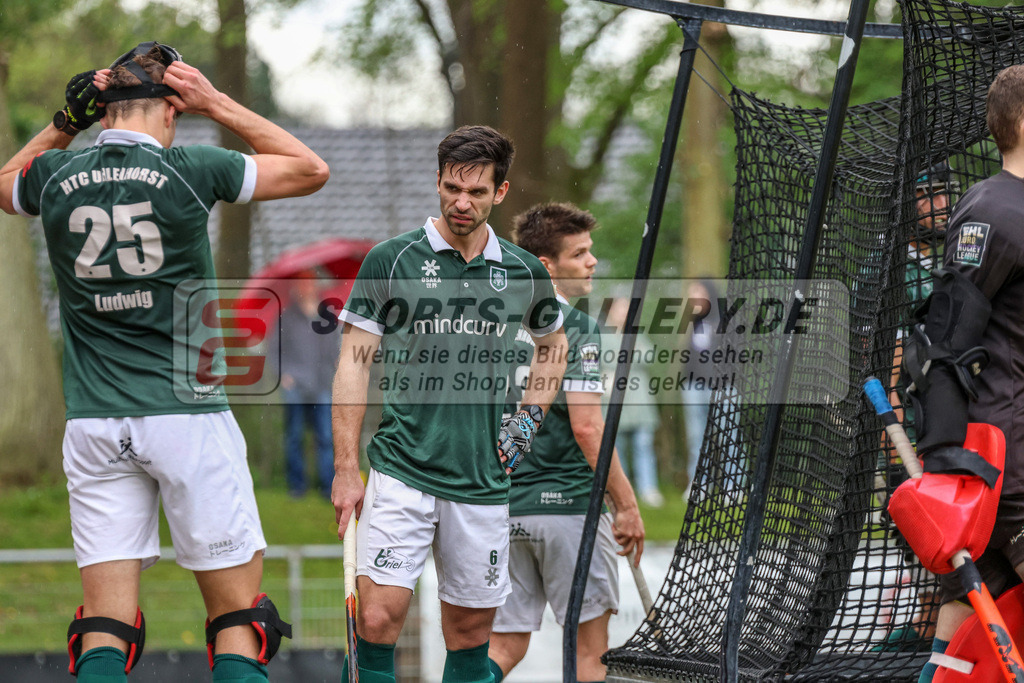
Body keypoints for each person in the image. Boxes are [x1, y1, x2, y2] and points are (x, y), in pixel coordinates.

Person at [0, 43, 328, 683]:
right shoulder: (190, 169)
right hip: (188, 417)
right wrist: (218, 103)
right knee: (240, 621)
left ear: (102, 112)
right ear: (173, 109)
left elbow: (0, 184)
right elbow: (310, 169)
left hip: (94, 423)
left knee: (105, 627)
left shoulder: (53, 175)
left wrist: (63, 125)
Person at [331, 125, 568, 683]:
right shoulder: (391, 260)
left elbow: (553, 347)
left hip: (482, 480)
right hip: (401, 469)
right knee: (376, 619)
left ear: (500, 192)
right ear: (437, 181)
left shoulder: (524, 271)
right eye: (452, 188)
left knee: (468, 635)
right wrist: (345, 467)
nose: (462, 203)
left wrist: (527, 420)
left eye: (477, 192)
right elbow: (353, 364)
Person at [487, 202, 646, 683]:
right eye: (579, 254)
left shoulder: (491, 323)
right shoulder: (577, 327)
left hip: (502, 511)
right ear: (546, 265)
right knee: (589, 653)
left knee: (504, 646)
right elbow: (587, 429)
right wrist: (626, 504)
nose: (592, 262)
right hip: (569, 510)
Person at [909, 65, 1024, 681]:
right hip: (1008, 452)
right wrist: (944, 455)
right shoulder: (999, 210)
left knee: (964, 611)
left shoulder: (999, 205)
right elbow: (945, 338)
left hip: (996, 449)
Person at [875, 162, 958, 651]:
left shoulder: (957, 254)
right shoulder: (890, 266)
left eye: (946, 193)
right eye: (929, 195)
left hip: (956, 409)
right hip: (912, 416)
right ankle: (928, 627)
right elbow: (885, 354)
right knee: (916, 520)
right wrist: (894, 431)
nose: (941, 205)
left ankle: (935, 625)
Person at [272, 271, 338, 499]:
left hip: (322, 385)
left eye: (309, 282)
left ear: (315, 285)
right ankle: (297, 487)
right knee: (294, 436)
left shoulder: (327, 315)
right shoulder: (287, 317)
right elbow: (274, 351)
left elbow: (335, 348)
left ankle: (327, 487)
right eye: (301, 282)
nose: (306, 286)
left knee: (326, 436)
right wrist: (284, 374)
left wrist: (336, 366)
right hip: (296, 386)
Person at [602, 296, 663, 507]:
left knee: (643, 447)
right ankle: (622, 491)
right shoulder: (601, 337)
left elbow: (648, 356)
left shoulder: (637, 335)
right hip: (613, 404)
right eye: (620, 309)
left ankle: (648, 489)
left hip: (639, 404)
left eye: (627, 310)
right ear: (610, 311)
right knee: (616, 451)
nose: (624, 314)